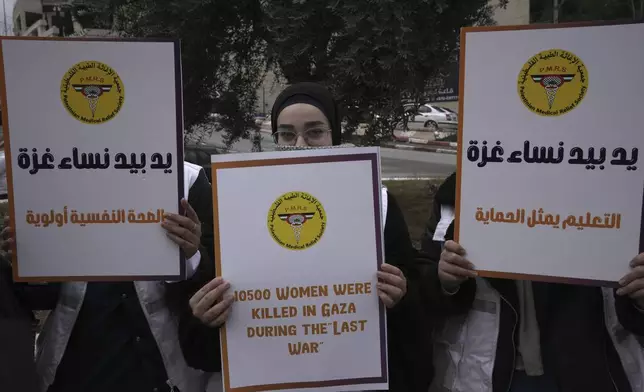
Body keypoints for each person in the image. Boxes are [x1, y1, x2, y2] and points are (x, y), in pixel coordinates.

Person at [180, 82, 435, 391]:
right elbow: (216, 318)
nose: (299, 144)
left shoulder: (376, 204)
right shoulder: (240, 208)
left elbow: (411, 306)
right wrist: (204, 315)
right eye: (286, 134)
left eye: (314, 132)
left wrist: (401, 295)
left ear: (334, 135)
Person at [1, 161, 217, 392]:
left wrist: (191, 257)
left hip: (164, 372)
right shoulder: (49, 172)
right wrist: (28, 261)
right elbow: (39, 298)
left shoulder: (187, 181)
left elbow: (214, 290)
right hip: (76, 370)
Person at [423, 172, 644, 392]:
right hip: (486, 372)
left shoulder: (621, 187)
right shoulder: (457, 191)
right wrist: (446, 282)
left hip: (593, 369)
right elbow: (426, 282)